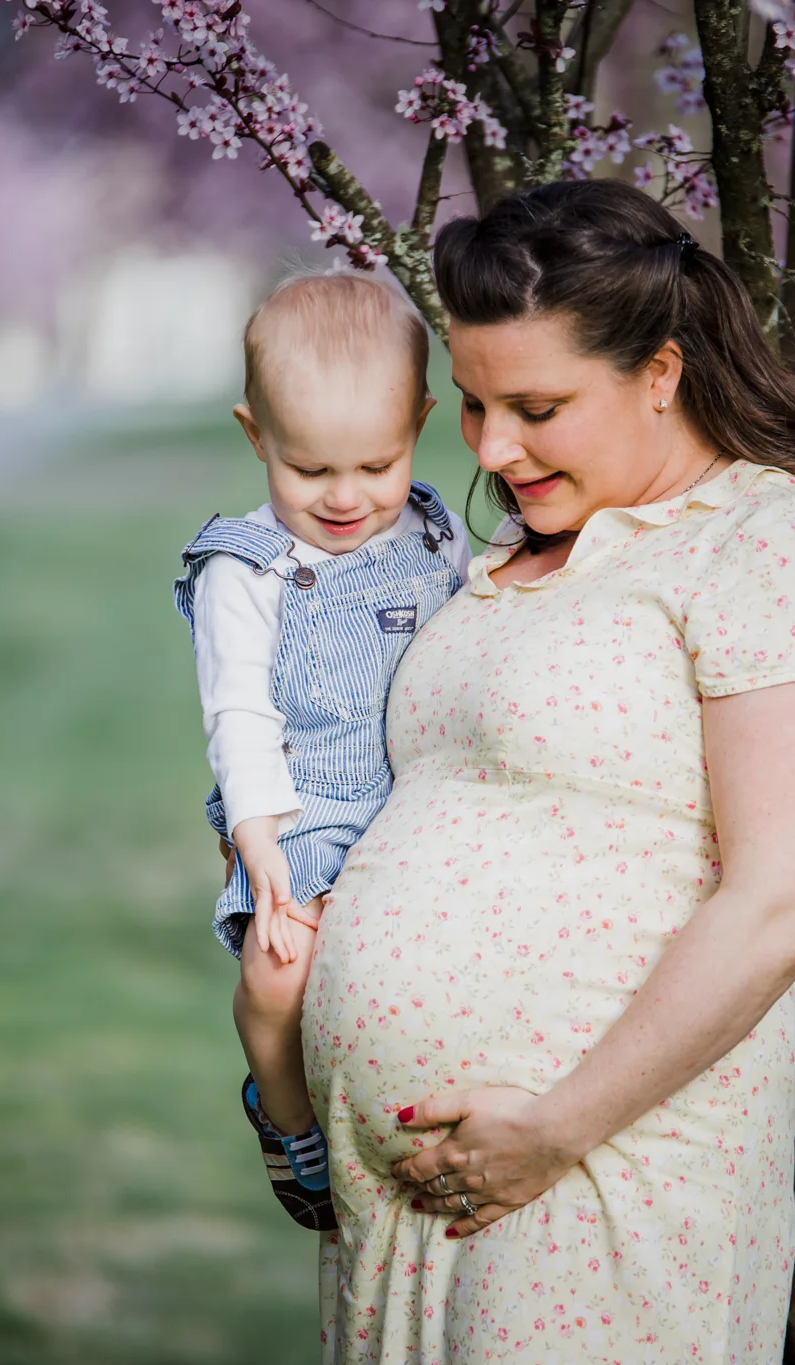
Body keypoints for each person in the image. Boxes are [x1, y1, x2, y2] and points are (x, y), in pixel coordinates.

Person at [301, 179, 795, 1361]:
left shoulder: (766, 540)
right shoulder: (504, 563)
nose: (492, 446)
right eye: (472, 406)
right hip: (418, 1203)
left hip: (603, 1169)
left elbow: (781, 899)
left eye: (536, 405)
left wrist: (553, 1129)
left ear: (661, 373)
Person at [174, 271, 473, 1232]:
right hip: (304, 808)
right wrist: (261, 846)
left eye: (376, 465)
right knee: (278, 970)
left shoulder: (435, 533)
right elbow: (239, 715)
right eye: (309, 472)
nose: (347, 498)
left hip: (422, 798)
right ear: (255, 434)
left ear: (420, 424)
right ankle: (285, 1112)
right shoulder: (245, 568)